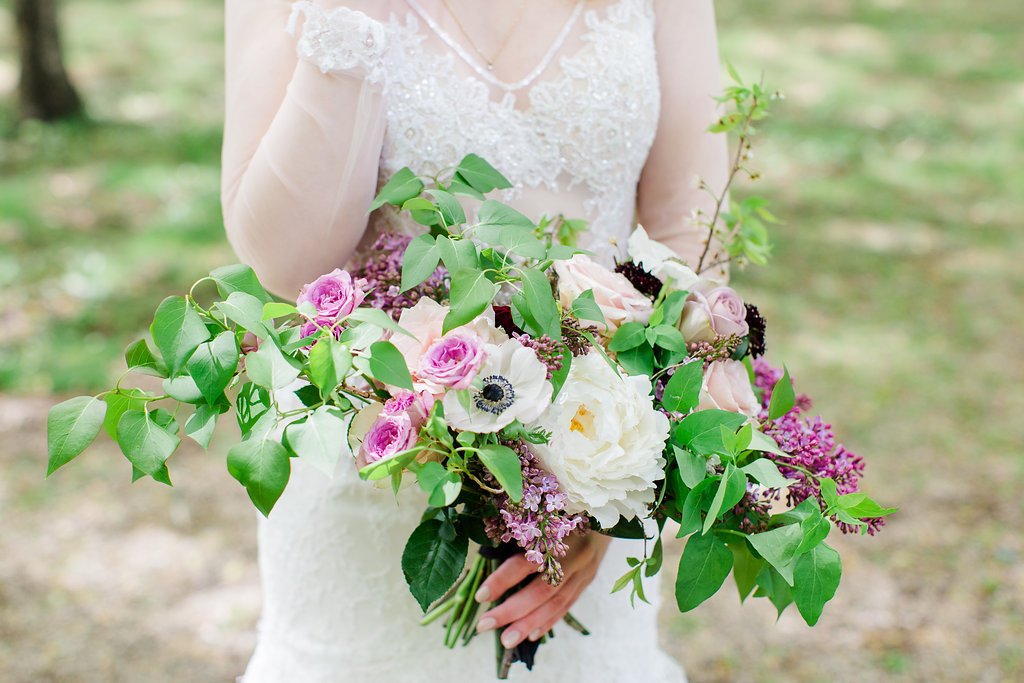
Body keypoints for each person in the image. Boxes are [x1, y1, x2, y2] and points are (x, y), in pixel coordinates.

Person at [221, 1, 728, 680]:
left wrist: (607, 494)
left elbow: (691, 243)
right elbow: (287, 262)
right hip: (376, 467)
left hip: (586, 495)